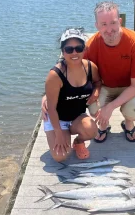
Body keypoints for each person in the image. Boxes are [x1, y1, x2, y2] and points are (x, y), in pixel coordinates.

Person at [42, 1, 135, 143]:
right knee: (93, 107)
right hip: (105, 86)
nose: (109, 29)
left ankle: (128, 124)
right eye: (103, 24)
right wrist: (47, 95)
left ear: (120, 21)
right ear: (97, 26)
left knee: (133, 110)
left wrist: (111, 107)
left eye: (113, 23)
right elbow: (69, 63)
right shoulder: (92, 44)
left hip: (130, 87)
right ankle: (104, 125)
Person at [43, 28, 100, 162]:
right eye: (69, 49)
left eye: (79, 48)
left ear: (84, 49)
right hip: (57, 119)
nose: (74, 53)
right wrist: (58, 134)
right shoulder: (55, 75)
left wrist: (96, 92)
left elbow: (97, 82)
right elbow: (51, 108)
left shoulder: (91, 67)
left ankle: (78, 142)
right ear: (63, 51)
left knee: (92, 130)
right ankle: (61, 134)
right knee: (60, 157)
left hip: (77, 117)